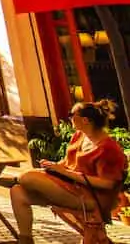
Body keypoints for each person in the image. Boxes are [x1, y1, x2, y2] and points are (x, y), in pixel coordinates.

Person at [11, 100, 128, 244]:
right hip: (71, 186)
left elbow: (108, 184)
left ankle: (15, 178)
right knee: (17, 192)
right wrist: (54, 166)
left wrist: (65, 173)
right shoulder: (79, 137)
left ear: (85, 120)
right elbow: (67, 162)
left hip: (93, 196)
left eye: (71, 115)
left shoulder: (108, 148)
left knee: (28, 178)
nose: (69, 118)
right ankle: (25, 241)